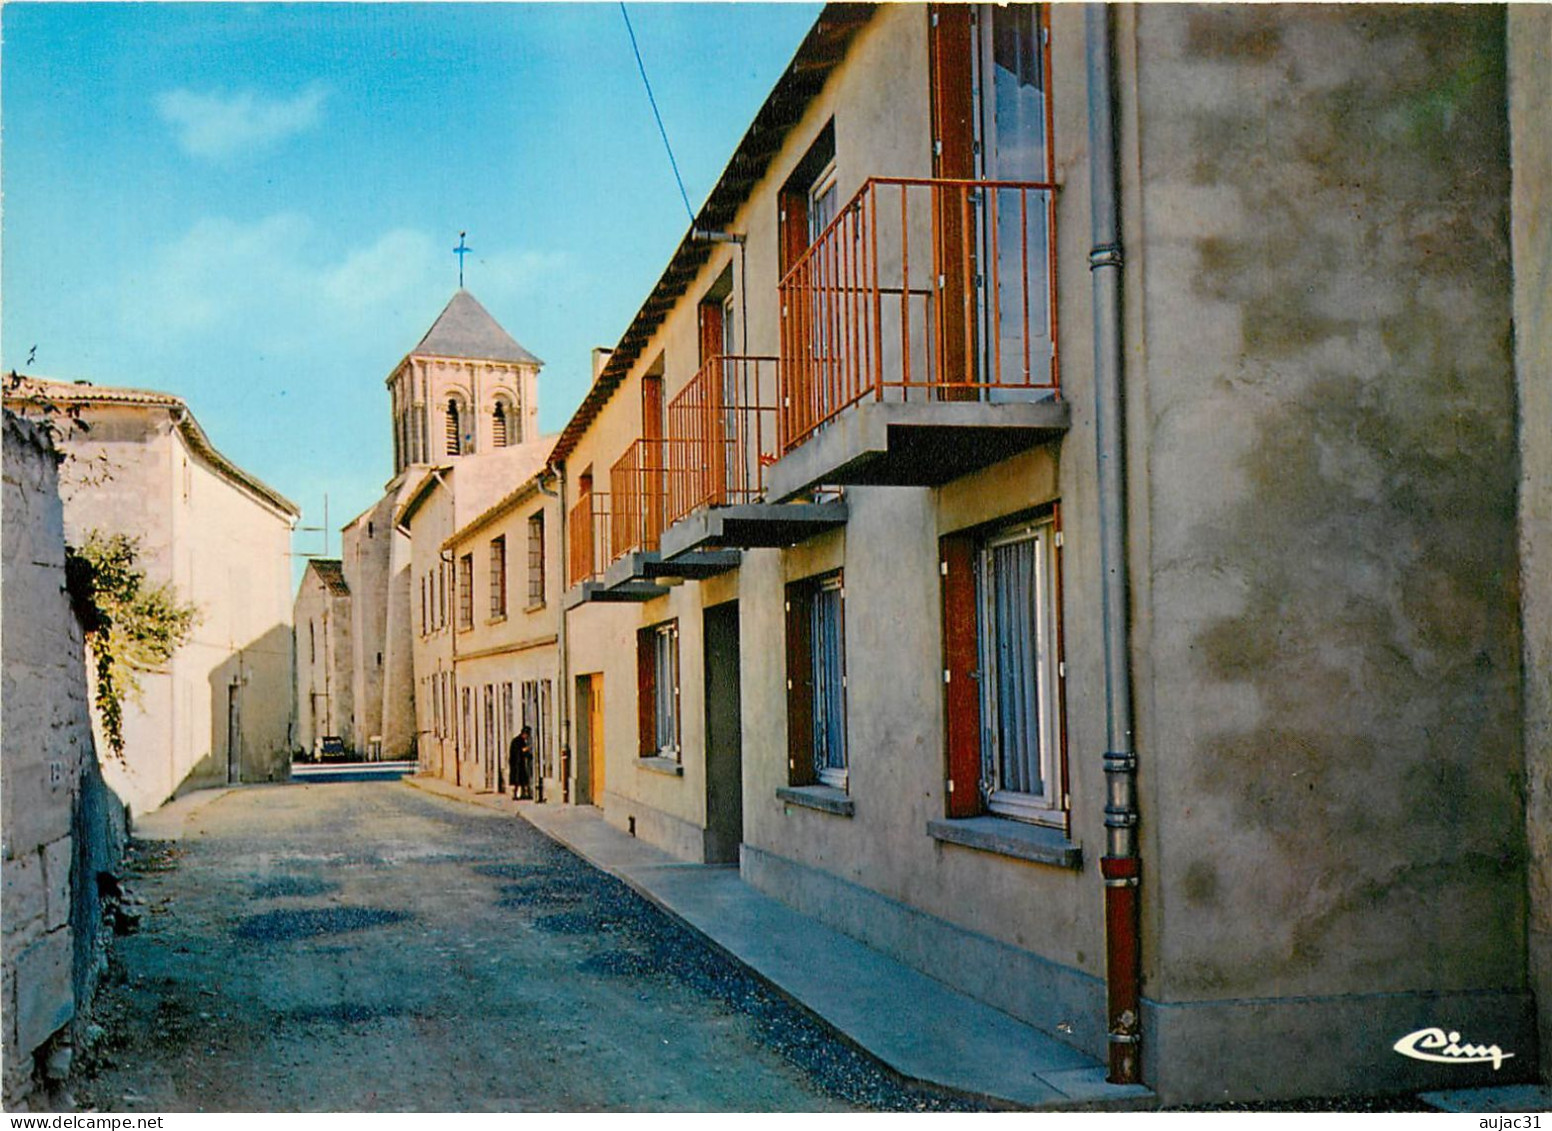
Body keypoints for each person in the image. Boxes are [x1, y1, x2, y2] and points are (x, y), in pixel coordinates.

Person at [510, 725, 533, 801]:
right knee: (517, 779)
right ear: (524, 734)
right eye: (527, 735)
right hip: (516, 763)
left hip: (519, 762)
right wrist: (527, 750)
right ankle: (515, 795)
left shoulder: (520, 740)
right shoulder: (517, 741)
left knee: (522, 779)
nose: (527, 737)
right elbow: (520, 751)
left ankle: (523, 794)